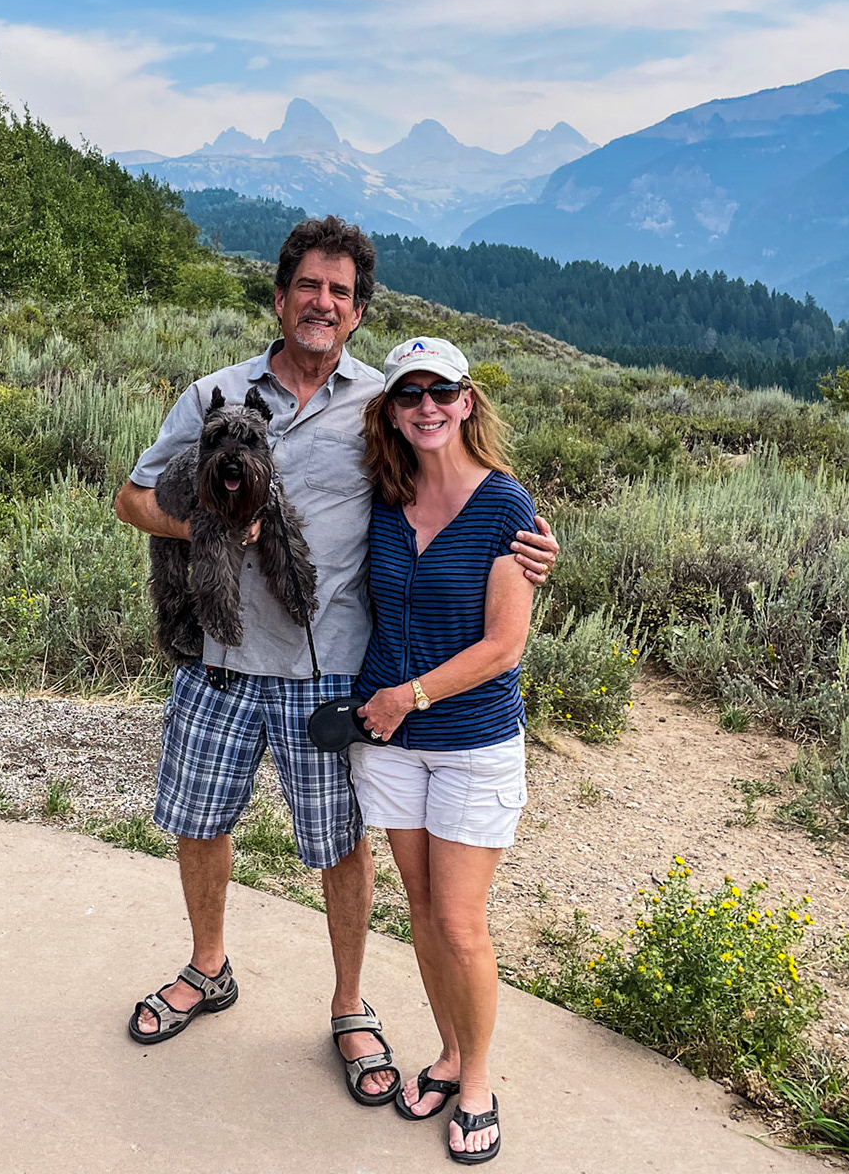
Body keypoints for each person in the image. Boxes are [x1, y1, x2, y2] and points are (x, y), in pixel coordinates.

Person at [113, 217, 559, 1109]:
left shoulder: (381, 403)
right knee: (200, 823)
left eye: (342, 294)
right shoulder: (215, 394)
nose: (323, 304)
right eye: (309, 287)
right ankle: (209, 968)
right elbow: (130, 498)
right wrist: (205, 525)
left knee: (337, 846)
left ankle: (350, 1003)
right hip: (218, 663)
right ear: (279, 298)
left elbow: (453, 481)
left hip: (330, 675)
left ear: (357, 313)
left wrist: (530, 540)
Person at [349, 334, 536, 1163]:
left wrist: (409, 695)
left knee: (461, 922)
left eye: (441, 391)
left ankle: (478, 1082)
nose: (426, 406)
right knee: (422, 912)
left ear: (467, 403)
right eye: (408, 393)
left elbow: (503, 647)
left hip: (466, 741)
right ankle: (449, 1050)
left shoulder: (506, 510)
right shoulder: (383, 497)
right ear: (391, 410)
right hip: (389, 744)